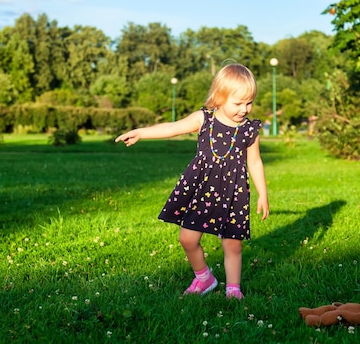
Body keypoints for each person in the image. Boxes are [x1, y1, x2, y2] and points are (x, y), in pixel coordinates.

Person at [115, 63, 269, 299]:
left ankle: (233, 289)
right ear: (219, 97)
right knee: (187, 238)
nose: (244, 109)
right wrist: (142, 132)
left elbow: (255, 162)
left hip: (233, 192)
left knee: (233, 244)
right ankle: (204, 277)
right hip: (202, 189)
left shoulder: (249, 130)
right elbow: (173, 128)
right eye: (238, 103)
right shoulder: (204, 119)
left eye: (249, 102)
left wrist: (263, 194)